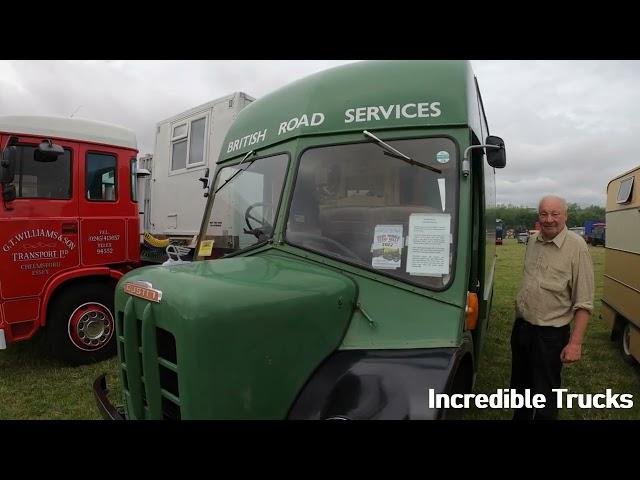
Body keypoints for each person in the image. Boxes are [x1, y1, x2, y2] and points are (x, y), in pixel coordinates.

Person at [510, 195, 594, 420]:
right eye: (544, 214)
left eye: (555, 214)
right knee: (520, 390)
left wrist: (575, 343)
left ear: (565, 215)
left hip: (550, 336)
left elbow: (584, 302)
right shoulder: (533, 240)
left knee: (546, 396)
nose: (549, 219)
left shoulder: (577, 248)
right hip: (522, 329)